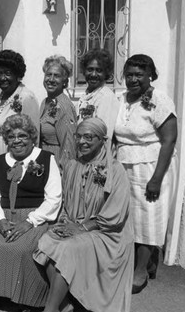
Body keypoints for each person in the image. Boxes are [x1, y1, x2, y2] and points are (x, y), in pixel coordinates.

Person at [34, 118, 134, 312]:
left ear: (102, 140)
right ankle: (66, 302)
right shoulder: (72, 166)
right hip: (75, 224)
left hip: (107, 233)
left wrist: (82, 227)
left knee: (67, 249)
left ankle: (51, 307)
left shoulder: (115, 170)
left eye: (89, 137)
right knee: (46, 242)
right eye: (78, 136)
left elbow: (115, 214)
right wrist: (64, 223)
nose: (82, 142)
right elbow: (66, 202)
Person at [0, 114, 62, 312]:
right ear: (6, 140)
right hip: (5, 216)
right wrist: (0, 220)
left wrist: (30, 221)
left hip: (37, 217)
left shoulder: (45, 159)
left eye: (22, 136)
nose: (17, 141)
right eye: (12, 137)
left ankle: (26, 297)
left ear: (32, 138)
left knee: (21, 249)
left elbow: (54, 198)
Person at [114, 54, 178, 293]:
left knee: (148, 217)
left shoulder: (159, 99)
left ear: (150, 74)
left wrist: (156, 179)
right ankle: (140, 263)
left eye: (139, 75)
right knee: (128, 217)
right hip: (124, 163)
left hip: (150, 165)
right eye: (129, 74)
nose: (133, 79)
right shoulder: (121, 99)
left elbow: (169, 140)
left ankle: (141, 271)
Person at [0, 50, 40, 161]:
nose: (2, 78)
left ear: (17, 75)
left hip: (14, 155)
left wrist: (29, 164)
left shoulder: (26, 97)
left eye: (7, 73)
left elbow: (34, 136)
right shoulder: (3, 95)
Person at [39, 55, 77, 166]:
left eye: (56, 76)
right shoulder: (45, 102)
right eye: (48, 75)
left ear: (64, 82)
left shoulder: (64, 106)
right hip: (44, 161)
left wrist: (64, 172)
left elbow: (69, 146)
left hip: (56, 163)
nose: (51, 79)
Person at [77, 48, 119, 144]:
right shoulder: (86, 95)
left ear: (106, 73)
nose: (94, 74)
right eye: (90, 69)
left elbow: (105, 135)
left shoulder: (106, 97)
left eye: (99, 70)